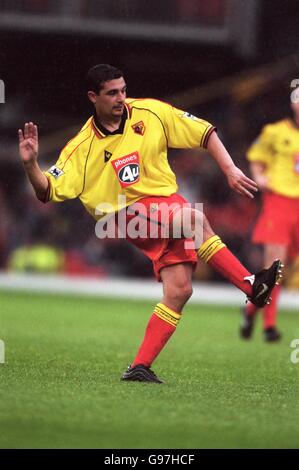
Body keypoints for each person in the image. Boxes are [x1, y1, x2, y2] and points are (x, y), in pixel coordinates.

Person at [19, 64, 282, 383]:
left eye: (123, 90)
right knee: (193, 219)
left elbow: (205, 132)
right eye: (112, 93)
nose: (121, 98)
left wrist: (229, 169)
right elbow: (46, 190)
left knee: (180, 289)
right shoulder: (81, 147)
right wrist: (31, 164)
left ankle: (139, 367)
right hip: (119, 213)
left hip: (166, 203)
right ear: (93, 97)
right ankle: (251, 286)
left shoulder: (151, 112)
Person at [240, 95, 299, 342]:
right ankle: (269, 327)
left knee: (283, 272)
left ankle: (251, 309)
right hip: (279, 203)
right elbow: (256, 156)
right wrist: (259, 176)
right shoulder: (274, 132)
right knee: (276, 267)